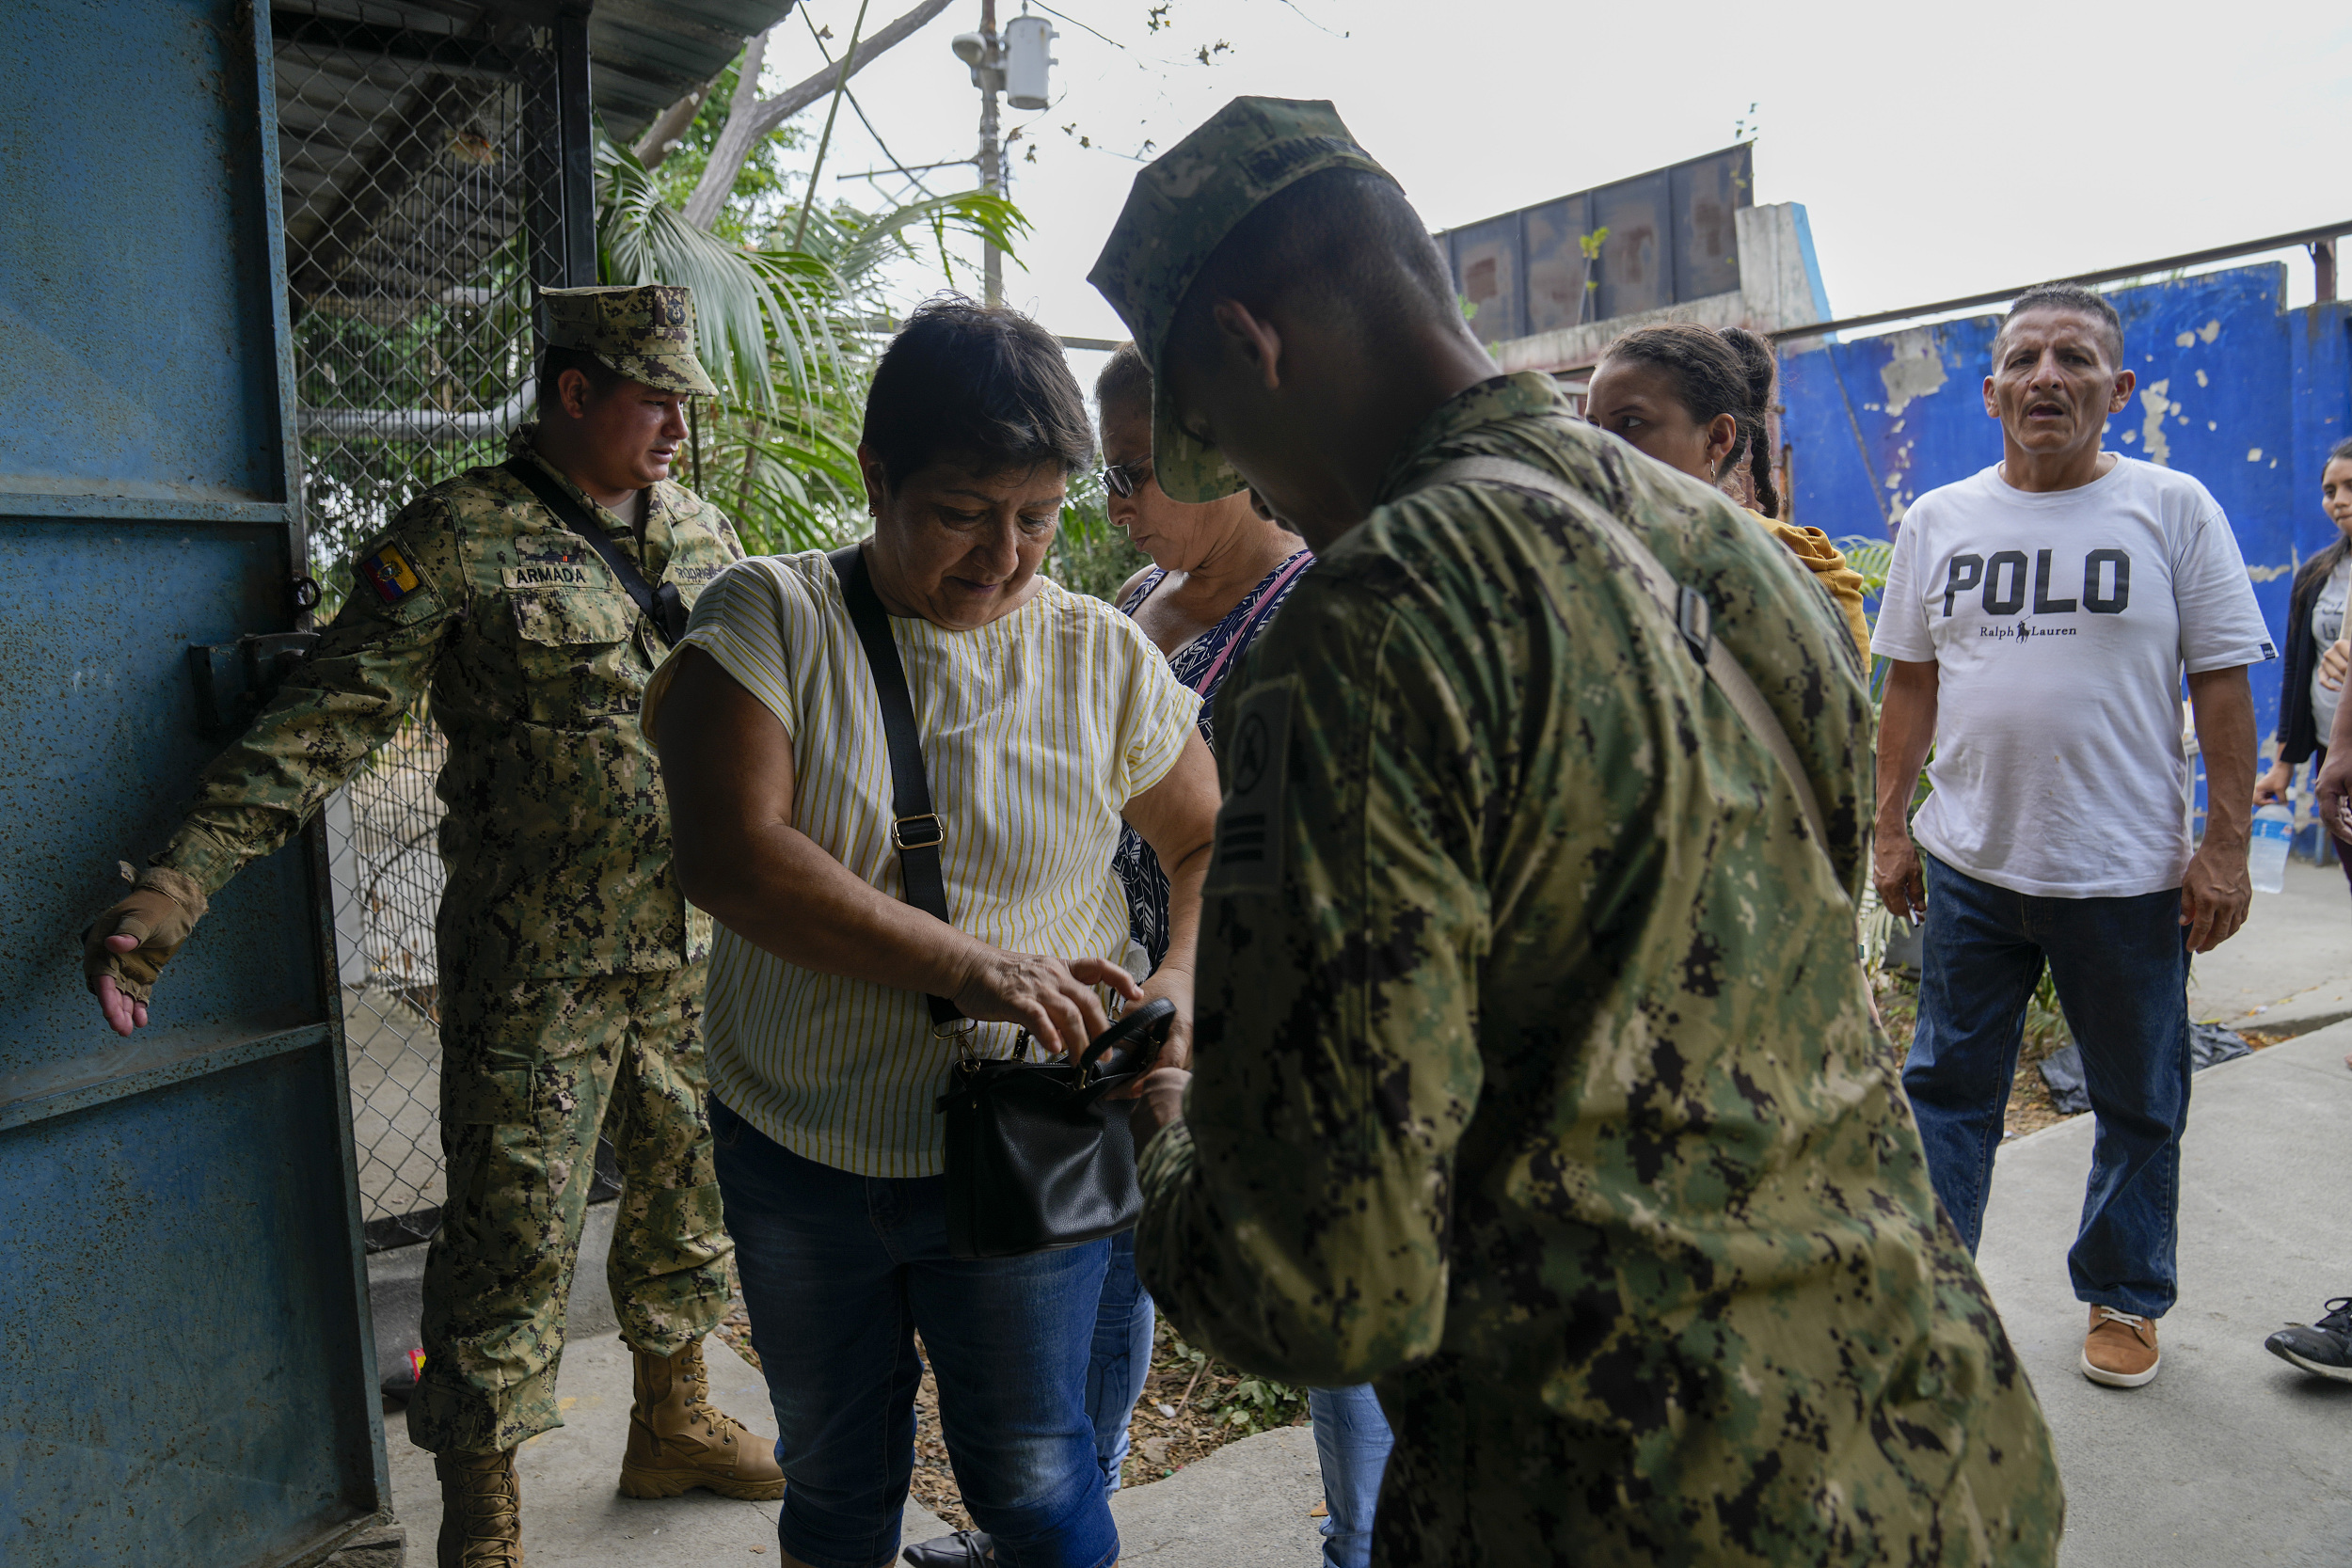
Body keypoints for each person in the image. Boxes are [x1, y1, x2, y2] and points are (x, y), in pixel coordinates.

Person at [1090, 96, 2063, 1565]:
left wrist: (1170, 1134)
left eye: (1228, 446)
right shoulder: (1740, 554)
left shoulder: (1371, 624)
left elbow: (1326, 1285)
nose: (1267, 495)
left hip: (1629, 1492)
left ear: (1250, 341)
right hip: (1933, 1434)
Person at [79, 285, 783, 1566]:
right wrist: (177, 883)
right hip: (537, 969)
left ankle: (672, 1419)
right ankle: (487, 1514)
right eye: (653, 392)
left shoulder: (698, 526)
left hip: (682, 950)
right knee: (512, 1232)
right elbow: (324, 721)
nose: (678, 418)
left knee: (691, 1189)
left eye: (683, 393)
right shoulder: (457, 536)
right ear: (574, 390)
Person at [645, 298, 1221, 1568]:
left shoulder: (1097, 652)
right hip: (803, 1145)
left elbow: (1206, 842)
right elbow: (733, 857)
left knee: (1035, 1480)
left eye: (1037, 516)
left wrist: (1176, 982)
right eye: (964, 510)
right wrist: (980, 969)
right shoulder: (768, 616)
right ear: (878, 476)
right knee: (837, 1477)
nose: (1006, 555)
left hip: (1032, 1144)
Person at [1874, 282, 2273, 1391]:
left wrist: (2225, 844)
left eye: (2074, 358)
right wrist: (1891, 828)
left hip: (2128, 875)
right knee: (1947, 1088)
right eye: (2025, 359)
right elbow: (1909, 682)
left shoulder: (2172, 507)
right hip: (1970, 865)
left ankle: (2124, 1292)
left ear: (2119, 388)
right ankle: (1935, 1298)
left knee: (2140, 1095)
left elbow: (2222, 687)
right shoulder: (1938, 520)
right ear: (1993, 388)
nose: (2047, 376)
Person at [1586, 320, 1873, 658]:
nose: (1600, 446)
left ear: (1717, 437)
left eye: (1631, 423)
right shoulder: (1571, 560)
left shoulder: (1802, 572)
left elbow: (1837, 710)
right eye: (1593, 427)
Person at [2252, 435, 2352, 896]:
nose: (2339, 501)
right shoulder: (2316, 575)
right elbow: (2297, 675)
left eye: (2351, 486)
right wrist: (2284, 767)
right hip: (2336, 762)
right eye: (2330, 491)